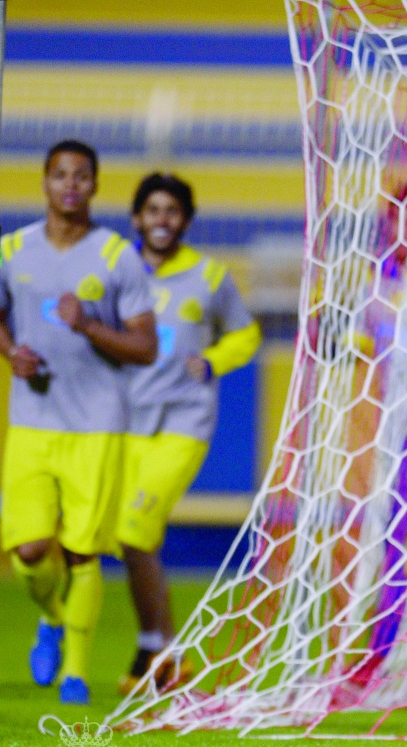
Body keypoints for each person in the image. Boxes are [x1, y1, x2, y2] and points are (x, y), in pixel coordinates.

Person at [0, 140, 157, 705]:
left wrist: (88, 326)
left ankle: (74, 672)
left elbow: (144, 345)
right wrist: (10, 351)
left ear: (94, 185)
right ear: (44, 182)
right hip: (33, 422)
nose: (71, 184)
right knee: (30, 551)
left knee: (83, 552)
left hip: (98, 424)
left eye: (82, 176)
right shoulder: (12, 250)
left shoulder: (116, 256)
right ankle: (52, 616)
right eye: (60, 175)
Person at [116, 173, 262, 695]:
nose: (162, 220)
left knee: (134, 532)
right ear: (137, 217)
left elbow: (246, 332)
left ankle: (156, 648)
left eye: (172, 211)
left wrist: (214, 359)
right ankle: (159, 652)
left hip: (184, 421)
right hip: (122, 422)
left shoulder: (208, 276)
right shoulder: (114, 270)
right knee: (130, 540)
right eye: (152, 210)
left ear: (186, 220)